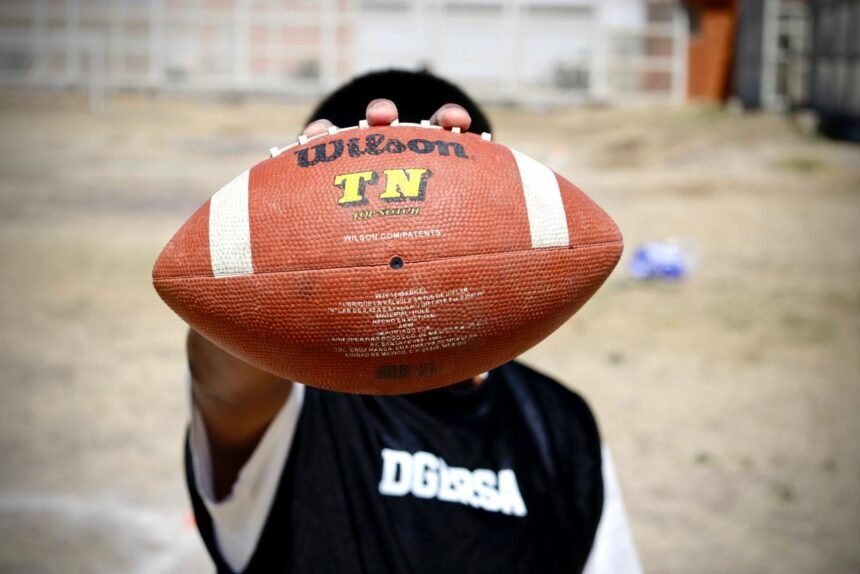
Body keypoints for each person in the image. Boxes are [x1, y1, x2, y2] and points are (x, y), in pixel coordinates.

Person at [184, 70, 642, 573]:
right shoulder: (299, 403)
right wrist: (275, 243)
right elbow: (226, 384)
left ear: (494, 188)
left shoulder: (560, 423)